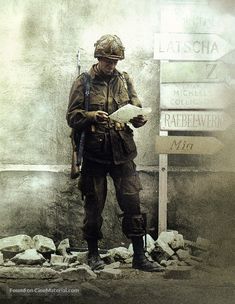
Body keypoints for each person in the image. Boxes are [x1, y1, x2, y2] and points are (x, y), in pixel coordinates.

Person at [66, 34, 164, 272]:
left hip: (122, 153)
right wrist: (90, 116)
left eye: (115, 61)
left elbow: (136, 109)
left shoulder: (125, 80)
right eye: (107, 61)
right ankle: (92, 255)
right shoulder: (84, 82)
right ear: (98, 58)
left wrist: (139, 117)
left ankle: (139, 257)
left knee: (132, 203)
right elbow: (71, 116)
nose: (111, 66)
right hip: (94, 154)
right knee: (94, 206)